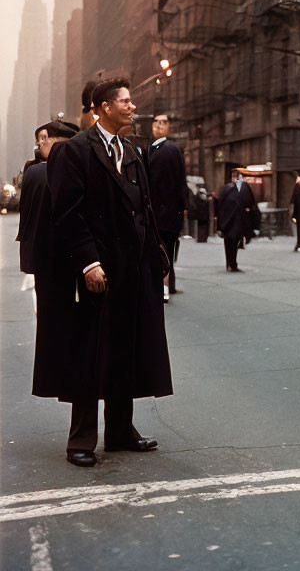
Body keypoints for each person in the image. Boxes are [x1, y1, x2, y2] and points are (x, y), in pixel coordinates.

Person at [47, 77, 172, 467]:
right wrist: (89, 261)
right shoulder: (76, 151)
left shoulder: (133, 150)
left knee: (126, 347)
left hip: (134, 269)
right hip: (98, 268)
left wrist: (158, 261)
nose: (133, 107)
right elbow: (67, 213)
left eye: (131, 102)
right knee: (90, 351)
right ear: (103, 107)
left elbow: (144, 208)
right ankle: (81, 439)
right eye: (125, 102)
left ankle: (121, 432)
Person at [17, 119, 80, 391]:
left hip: (44, 258)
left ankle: (54, 375)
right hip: (64, 257)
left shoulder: (33, 173)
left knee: (51, 323)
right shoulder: (48, 173)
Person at [147, 113, 188, 302]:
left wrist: (182, 207)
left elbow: (180, 181)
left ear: (168, 127)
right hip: (155, 212)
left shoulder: (171, 149)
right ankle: (165, 285)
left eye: (163, 123)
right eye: (156, 122)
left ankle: (164, 286)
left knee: (166, 249)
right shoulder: (148, 149)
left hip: (167, 212)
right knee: (162, 250)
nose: (159, 126)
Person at [216, 169, 258, 272]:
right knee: (233, 242)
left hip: (230, 220)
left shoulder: (227, 189)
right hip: (234, 220)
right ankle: (232, 264)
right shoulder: (237, 188)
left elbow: (220, 205)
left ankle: (230, 263)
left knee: (231, 242)